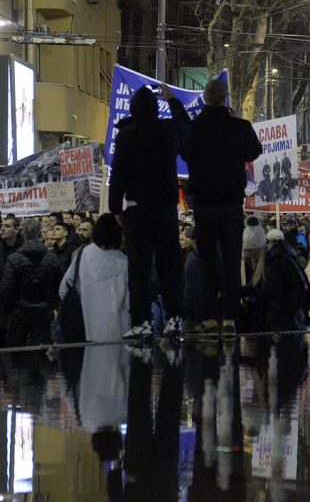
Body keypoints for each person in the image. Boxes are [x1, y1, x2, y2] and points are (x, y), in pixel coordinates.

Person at [180, 79, 262, 335]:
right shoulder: (239, 127)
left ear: (205, 98)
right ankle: (230, 317)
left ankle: (209, 317)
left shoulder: (195, 128)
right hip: (231, 203)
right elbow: (253, 152)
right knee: (230, 258)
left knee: (207, 260)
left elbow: (186, 154)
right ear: (225, 98)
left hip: (204, 203)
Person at [109, 84, 190, 338]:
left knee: (139, 269)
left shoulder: (126, 135)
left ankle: (141, 321)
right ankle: (175, 317)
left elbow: (118, 174)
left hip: (137, 210)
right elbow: (186, 128)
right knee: (169, 265)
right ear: (156, 108)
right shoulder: (166, 131)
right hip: (165, 209)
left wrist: (116, 208)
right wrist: (173, 100)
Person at [58, 214, 129, 343]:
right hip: (117, 331)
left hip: (84, 329)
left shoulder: (83, 255)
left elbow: (64, 288)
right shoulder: (125, 263)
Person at [0, 218, 64, 346]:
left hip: (19, 312)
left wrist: (8, 310)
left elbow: (7, 289)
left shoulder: (14, 258)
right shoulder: (52, 258)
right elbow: (60, 286)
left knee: (17, 353)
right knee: (42, 352)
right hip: (45, 312)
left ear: (22, 232)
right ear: (40, 232)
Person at [261, 229, 310, 332]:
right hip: (291, 312)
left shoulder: (279, 259)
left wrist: (289, 311)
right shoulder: (291, 256)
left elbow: (300, 286)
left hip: (286, 315)